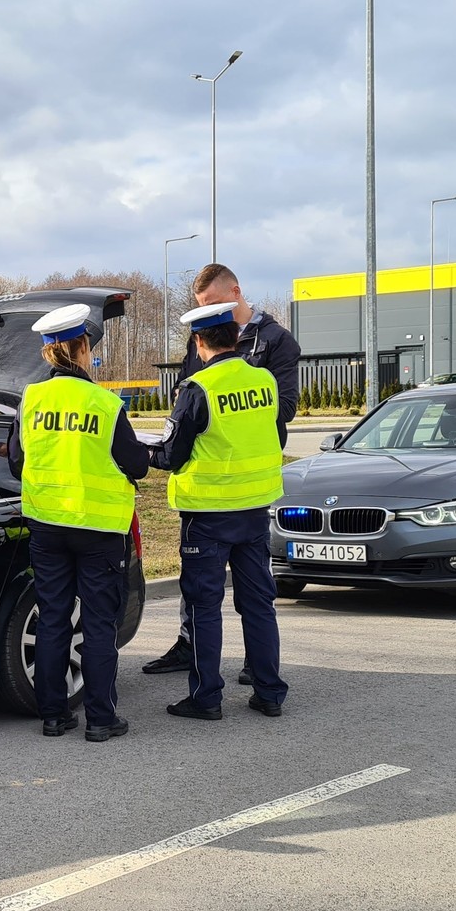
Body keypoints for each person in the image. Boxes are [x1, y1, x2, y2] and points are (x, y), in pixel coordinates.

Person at [145, 263, 301, 676]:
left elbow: (283, 410)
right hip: (223, 486)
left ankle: (235, 676)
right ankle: (195, 650)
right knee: (209, 593)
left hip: (231, 492)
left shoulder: (275, 342)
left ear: (235, 291)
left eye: (213, 304)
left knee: (220, 596)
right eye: (202, 308)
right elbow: (185, 391)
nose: (208, 313)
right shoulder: (207, 344)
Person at [5, 303, 150, 741]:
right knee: (100, 623)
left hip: (47, 525)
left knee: (53, 617)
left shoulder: (31, 399)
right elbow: (136, 465)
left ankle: (53, 716)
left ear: (49, 353)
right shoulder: (105, 404)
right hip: (99, 528)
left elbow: (16, 463)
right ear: (84, 348)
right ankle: (101, 721)